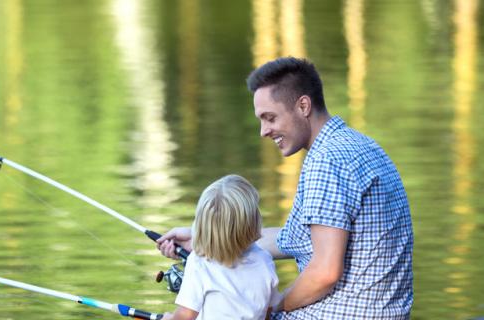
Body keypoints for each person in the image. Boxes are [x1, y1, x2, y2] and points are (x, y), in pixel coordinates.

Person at [158, 57, 414, 319]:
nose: (263, 131)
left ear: (303, 105)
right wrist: (208, 238)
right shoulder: (359, 145)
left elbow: (325, 273)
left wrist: (275, 306)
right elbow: (294, 240)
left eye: (270, 118)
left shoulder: (327, 162)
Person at [163, 174, 280, 320]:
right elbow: (268, 311)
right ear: (254, 223)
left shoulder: (199, 262)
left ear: (201, 227)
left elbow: (185, 316)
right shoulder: (264, 260)